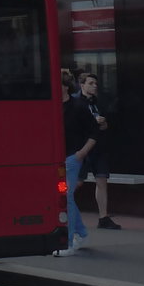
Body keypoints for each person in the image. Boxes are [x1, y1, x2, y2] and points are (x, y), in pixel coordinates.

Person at [54, 71, 99, 256]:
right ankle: (80, 233)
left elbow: (94, 132)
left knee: (67, 197)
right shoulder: (55, 106)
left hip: (72, 157)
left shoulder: (78, 106)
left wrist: (82, 153)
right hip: (60, 158)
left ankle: (70, 240)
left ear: (65, 87)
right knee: (68, 197)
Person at [80, 73, 121, 229]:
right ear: (82, 85)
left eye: (96, 83)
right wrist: (92, 122)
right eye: (90, 83)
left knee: (102, 180)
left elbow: (106, 123)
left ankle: (103, 216)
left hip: (99, 146)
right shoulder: (78, 103)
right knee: (77, 181)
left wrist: (104, 124)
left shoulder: (97, 103)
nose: (94, 86)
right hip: (84, 146)